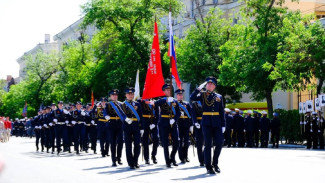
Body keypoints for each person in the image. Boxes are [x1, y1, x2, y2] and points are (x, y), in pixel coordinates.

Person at [190, 76, 226, 175]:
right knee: (208, 145)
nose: (209, 85)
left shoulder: (219, 96)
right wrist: (198, 89)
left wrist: (223, 124)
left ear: (214, 86)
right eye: (208, 83)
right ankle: (208, 166)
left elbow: (221, 111)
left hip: (217, 123)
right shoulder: (202, 95)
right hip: (206, 123)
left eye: (211, 84)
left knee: (219, 143)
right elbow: (192, 98)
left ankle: (215, 163)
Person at [152, 84, 180, 168]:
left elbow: (178, 112)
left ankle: (172, 157)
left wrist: (174, 119)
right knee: (165, 142)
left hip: (173, 123)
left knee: (176, 141)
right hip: (163, 123)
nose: (168, 91)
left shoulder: (174, 101)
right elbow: (156, 104)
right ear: (163, 91)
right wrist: (166, 100)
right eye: (166, 90)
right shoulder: (161, 100)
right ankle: (168, 161)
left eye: (169, 90)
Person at [121, 87, 143, 169]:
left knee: (137, 145)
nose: (130, 95)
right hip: (127, 126)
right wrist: (125, 118)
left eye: (132, 94)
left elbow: (141, 116)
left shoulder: (137, 104)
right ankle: (130, 163)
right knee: (128, 145)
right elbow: (121, 114)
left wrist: (142, 128)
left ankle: (136, 161)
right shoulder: (122, 105)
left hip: (136, 126)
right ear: (126, 95)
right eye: (128, 94)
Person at [105, 89, 125, 166]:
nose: (115, 96)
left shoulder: (121, 104)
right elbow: (105, 111)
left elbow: (123, 113)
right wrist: (106, 115)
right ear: (110, 96)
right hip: (111, 125)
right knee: (112, 143)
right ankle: (113, 159)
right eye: (113, 95)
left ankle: (119, 158)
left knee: (120, 142)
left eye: (116, 95)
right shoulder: (108, 104)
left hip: (119, 124)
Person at [139, 98, 159, 165]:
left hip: (153, 122)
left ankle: (153, 155)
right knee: (145, 141)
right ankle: (146, 158)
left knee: (156, 139)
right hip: (145, 123)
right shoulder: (141, 101)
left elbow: (157, 114)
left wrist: (155, 123)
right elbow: (138, 102)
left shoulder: (155, 102)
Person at [175, 89, 192, 164]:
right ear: (176, 95)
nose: (180, 96)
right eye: (179, 95)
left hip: (186, 124)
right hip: (178, 124)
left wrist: (191, 125)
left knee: (186, 141)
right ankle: (181, 157)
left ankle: (186, 156)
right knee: (179, 141)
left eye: (181, 95)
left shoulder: (187, 104)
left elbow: (190, 115)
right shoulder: (174, 104)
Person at [191, 99, 204, 166]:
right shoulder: (194, 103)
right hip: (198, 124)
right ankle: (201, 160)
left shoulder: (208, 101)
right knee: (199, 143)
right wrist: (195, 123)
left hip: (207, 123)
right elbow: (193, 114)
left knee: (209, 142)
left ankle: (204, 157)